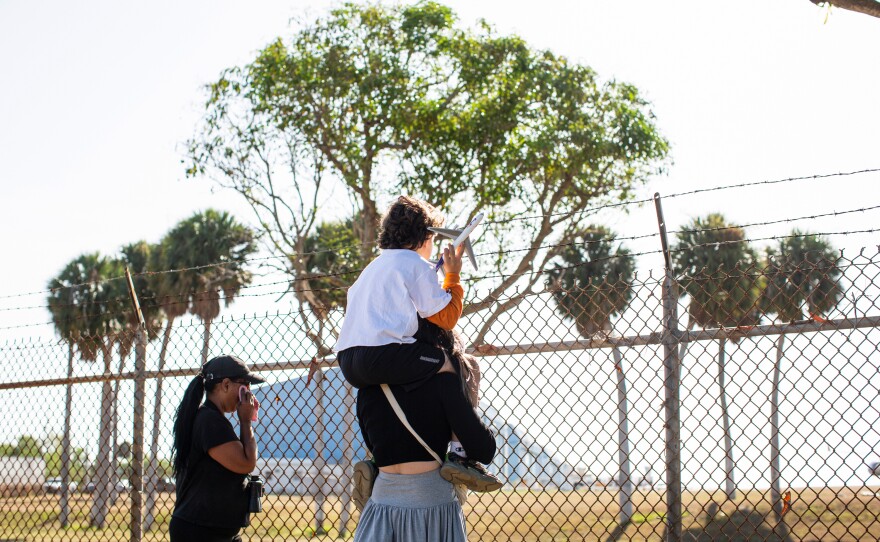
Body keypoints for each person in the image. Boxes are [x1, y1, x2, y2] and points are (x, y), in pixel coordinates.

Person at [334, 196, 500, 495]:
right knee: (453, 363)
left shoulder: (372, 269)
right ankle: (461, 453)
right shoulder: (416, 265)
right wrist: (452, 274)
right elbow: (446, 317)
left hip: (349, 361)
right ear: (426, 235)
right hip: (384, 353)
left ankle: (375, 462)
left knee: (385, 387)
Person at [353, 369, 497, 541]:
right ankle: (459, 456)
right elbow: (484, 450)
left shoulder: (366, 389)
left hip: (381, 502)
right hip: (432, 503)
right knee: (469, 366)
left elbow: (371, 443)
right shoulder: (444, 381)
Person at [169, 355, 264, 542]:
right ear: (226, 385)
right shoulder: (209, 421)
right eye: (244, 386)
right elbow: (246, 463)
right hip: (199, 532)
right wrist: (245, 421)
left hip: (214, 530)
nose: (248, 395)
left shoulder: (211, 419)